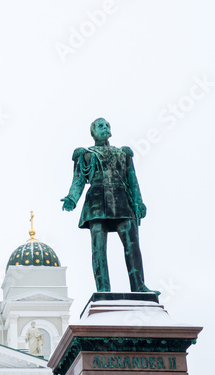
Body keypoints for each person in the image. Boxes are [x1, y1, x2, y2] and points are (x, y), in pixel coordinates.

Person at [61, 118, 158, 294]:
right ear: (93, 133)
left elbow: (132, 180)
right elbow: (78, 181)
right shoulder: (85, 154)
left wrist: (138, 201)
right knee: (98, 249)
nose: (105, 128)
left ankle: (139, 286)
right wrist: (71, 198)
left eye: (107, 125)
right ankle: (103, 289)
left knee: (132, 245)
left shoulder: (123, 153)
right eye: (101, 126)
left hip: (122, 201)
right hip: (96, 204)